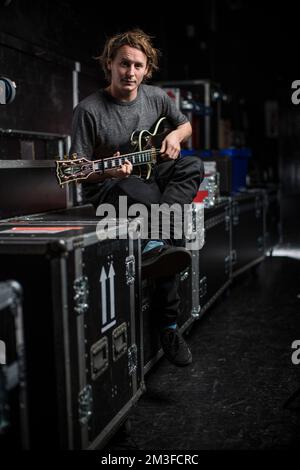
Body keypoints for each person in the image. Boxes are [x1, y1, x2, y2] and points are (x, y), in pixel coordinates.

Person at [69, 29, 204, 366]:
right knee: (156, 212)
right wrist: (109, 171)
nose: (130, 72)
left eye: (138, 66)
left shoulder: (156, 97)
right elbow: (74, 170)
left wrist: (175, 134)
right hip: (109, 190)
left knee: (192, 165)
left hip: (148, 181)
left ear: (147, 69)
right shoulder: (89, 110)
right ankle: (170, 326)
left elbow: (186, 126)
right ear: (109, 65)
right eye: (124, 64)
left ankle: (157, 240)